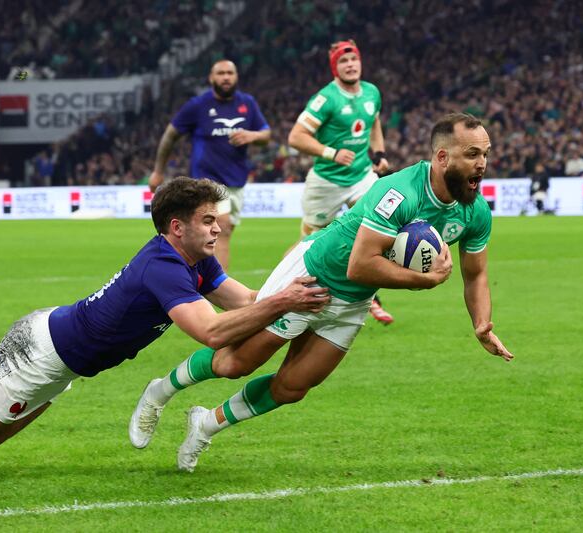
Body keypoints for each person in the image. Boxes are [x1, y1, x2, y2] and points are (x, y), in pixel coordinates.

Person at [129, 113, 514, 472]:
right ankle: (159, 391)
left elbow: (475, 275)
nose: (482, 163)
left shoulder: (475, 212)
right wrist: (424, 280)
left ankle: (205, 425)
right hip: (313, 276)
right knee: (234, 364)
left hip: (354, 301)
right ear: (443, 157)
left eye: (485, 154)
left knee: (292, 387)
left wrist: (481, 324)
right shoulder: (398, 193)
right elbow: (359, 264)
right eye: (472, 154)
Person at [0, 177, 329, 450]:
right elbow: (214, 332)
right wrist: (283, 303)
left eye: (218, 221)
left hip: (61, 359)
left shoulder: (193, 264)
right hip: (41, 353)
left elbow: (247, 302)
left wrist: (307, 282)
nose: (218, 230)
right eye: (207, 221)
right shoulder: (165, 267)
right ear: (177, 227)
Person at [288, 39, 393, 324]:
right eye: (343, 61)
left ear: (360, 62)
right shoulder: (325, 99)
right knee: (308, 242)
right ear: (335, 68)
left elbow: (374, 123)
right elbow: (295, 137)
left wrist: (379, 152)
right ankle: (282, 288)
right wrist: (330, 152)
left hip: (361, 177)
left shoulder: (372, 92)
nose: (350, 65)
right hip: (326, 182)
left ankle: (370, 297)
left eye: (353, 60)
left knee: (377, 227)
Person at [148, 59, 271, 271]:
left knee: (222, 230)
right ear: (211, 78)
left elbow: (266, 135)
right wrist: (158, 170)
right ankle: (218, 287)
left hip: (236, 181)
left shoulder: (247, 103)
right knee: (221, 227)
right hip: (207, 182)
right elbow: (170, 136)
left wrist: (252, 136)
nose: (226, 77)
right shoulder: (198, 105)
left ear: (236, 77)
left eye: (230, 73)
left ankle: (195, 278)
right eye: (221, 73)